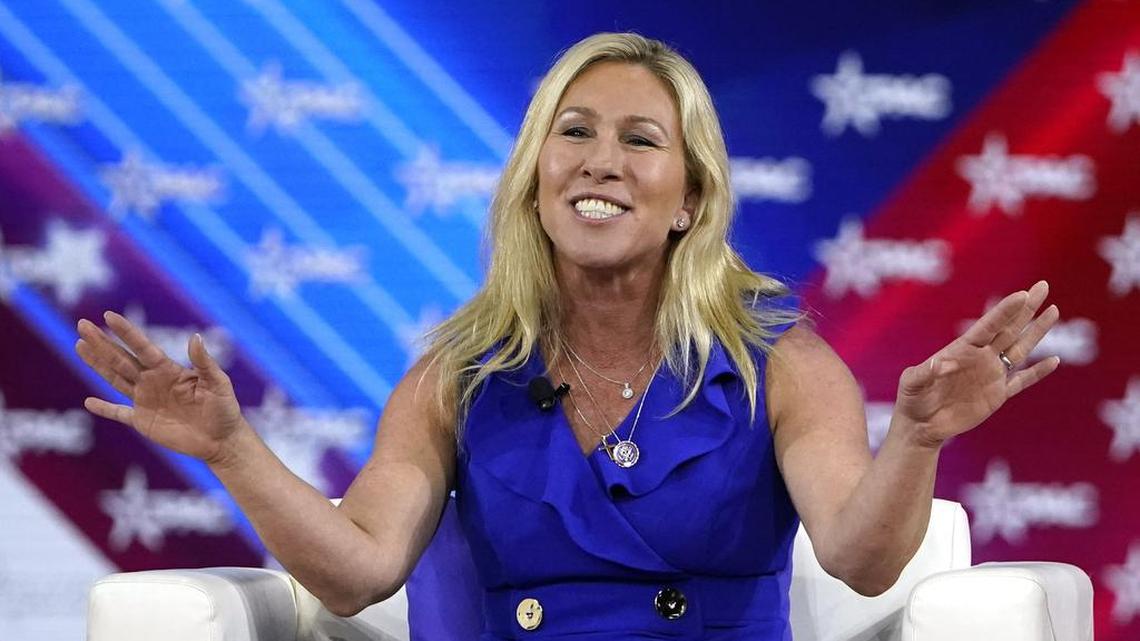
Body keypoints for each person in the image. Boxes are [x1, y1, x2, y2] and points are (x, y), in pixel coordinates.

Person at [74, 33, 1060, 640]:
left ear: (690, 198)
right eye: (575, 131)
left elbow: (861, 557)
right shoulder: (459, 373)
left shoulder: (779, 362)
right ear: (536, 176)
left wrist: (916, 438)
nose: (601, 161)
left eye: (641, 140)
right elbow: (358, 567)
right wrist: (232, 450)